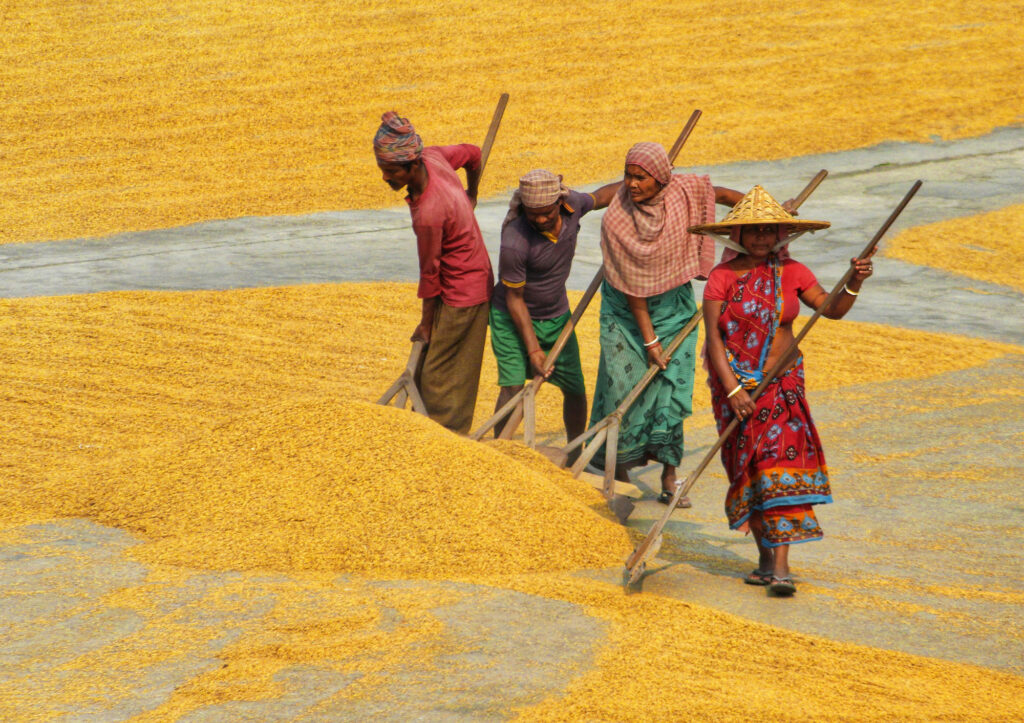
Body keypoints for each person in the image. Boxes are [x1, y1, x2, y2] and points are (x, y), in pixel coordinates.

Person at [691, 185, 873, 596]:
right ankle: (764, 558)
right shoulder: (721, 277)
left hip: (783, 388)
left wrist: (854, 282)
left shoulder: (793, 273)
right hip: (736, 393)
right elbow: (714, 340)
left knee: (779, 469)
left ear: (779, 234)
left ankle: (781, 568)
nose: (760, 237)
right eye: (752, 230)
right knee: (751, 473)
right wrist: (734, 388)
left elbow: (832, 310)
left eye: (768, 230)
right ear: (736, 234)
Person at [591, 142, 744, 506]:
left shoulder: (682, 191)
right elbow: (633, 289)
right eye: (627, 175)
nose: (630, 183)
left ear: (661, 179)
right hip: (627, 312)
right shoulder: (616, 219)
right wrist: (649, 341)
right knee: (623, 387)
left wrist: (762, 209)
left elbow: (720, 194)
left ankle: (669, 475)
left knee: (671, 389)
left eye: (640, 177)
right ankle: (621, 472)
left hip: (674, 307)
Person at [373, 111, 493, 435]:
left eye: (391, 171)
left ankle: (445, 440)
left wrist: (426, 325)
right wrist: (473, 193)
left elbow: (430, 274)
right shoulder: (434, 157)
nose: (386, 178)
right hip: (467, 275)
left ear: (412, 165)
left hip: (464, 291)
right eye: (382, 169)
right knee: (430, 370)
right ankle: (427, 434)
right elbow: (474, 155)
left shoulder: (429, 212)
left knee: (441, 378)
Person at [490, 170, 621, 444]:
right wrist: (534, 349)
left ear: (560, 204)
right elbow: (515, 300)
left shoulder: (574, 205)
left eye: (546, 213)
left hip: (556, 315)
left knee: (574, 389)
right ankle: (499, 451)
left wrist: (631, 185)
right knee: (513, 386)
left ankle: (575, 448)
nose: (539, 219)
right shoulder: (515, 240)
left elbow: (601, 196)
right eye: (532, 213)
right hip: (511, 317)